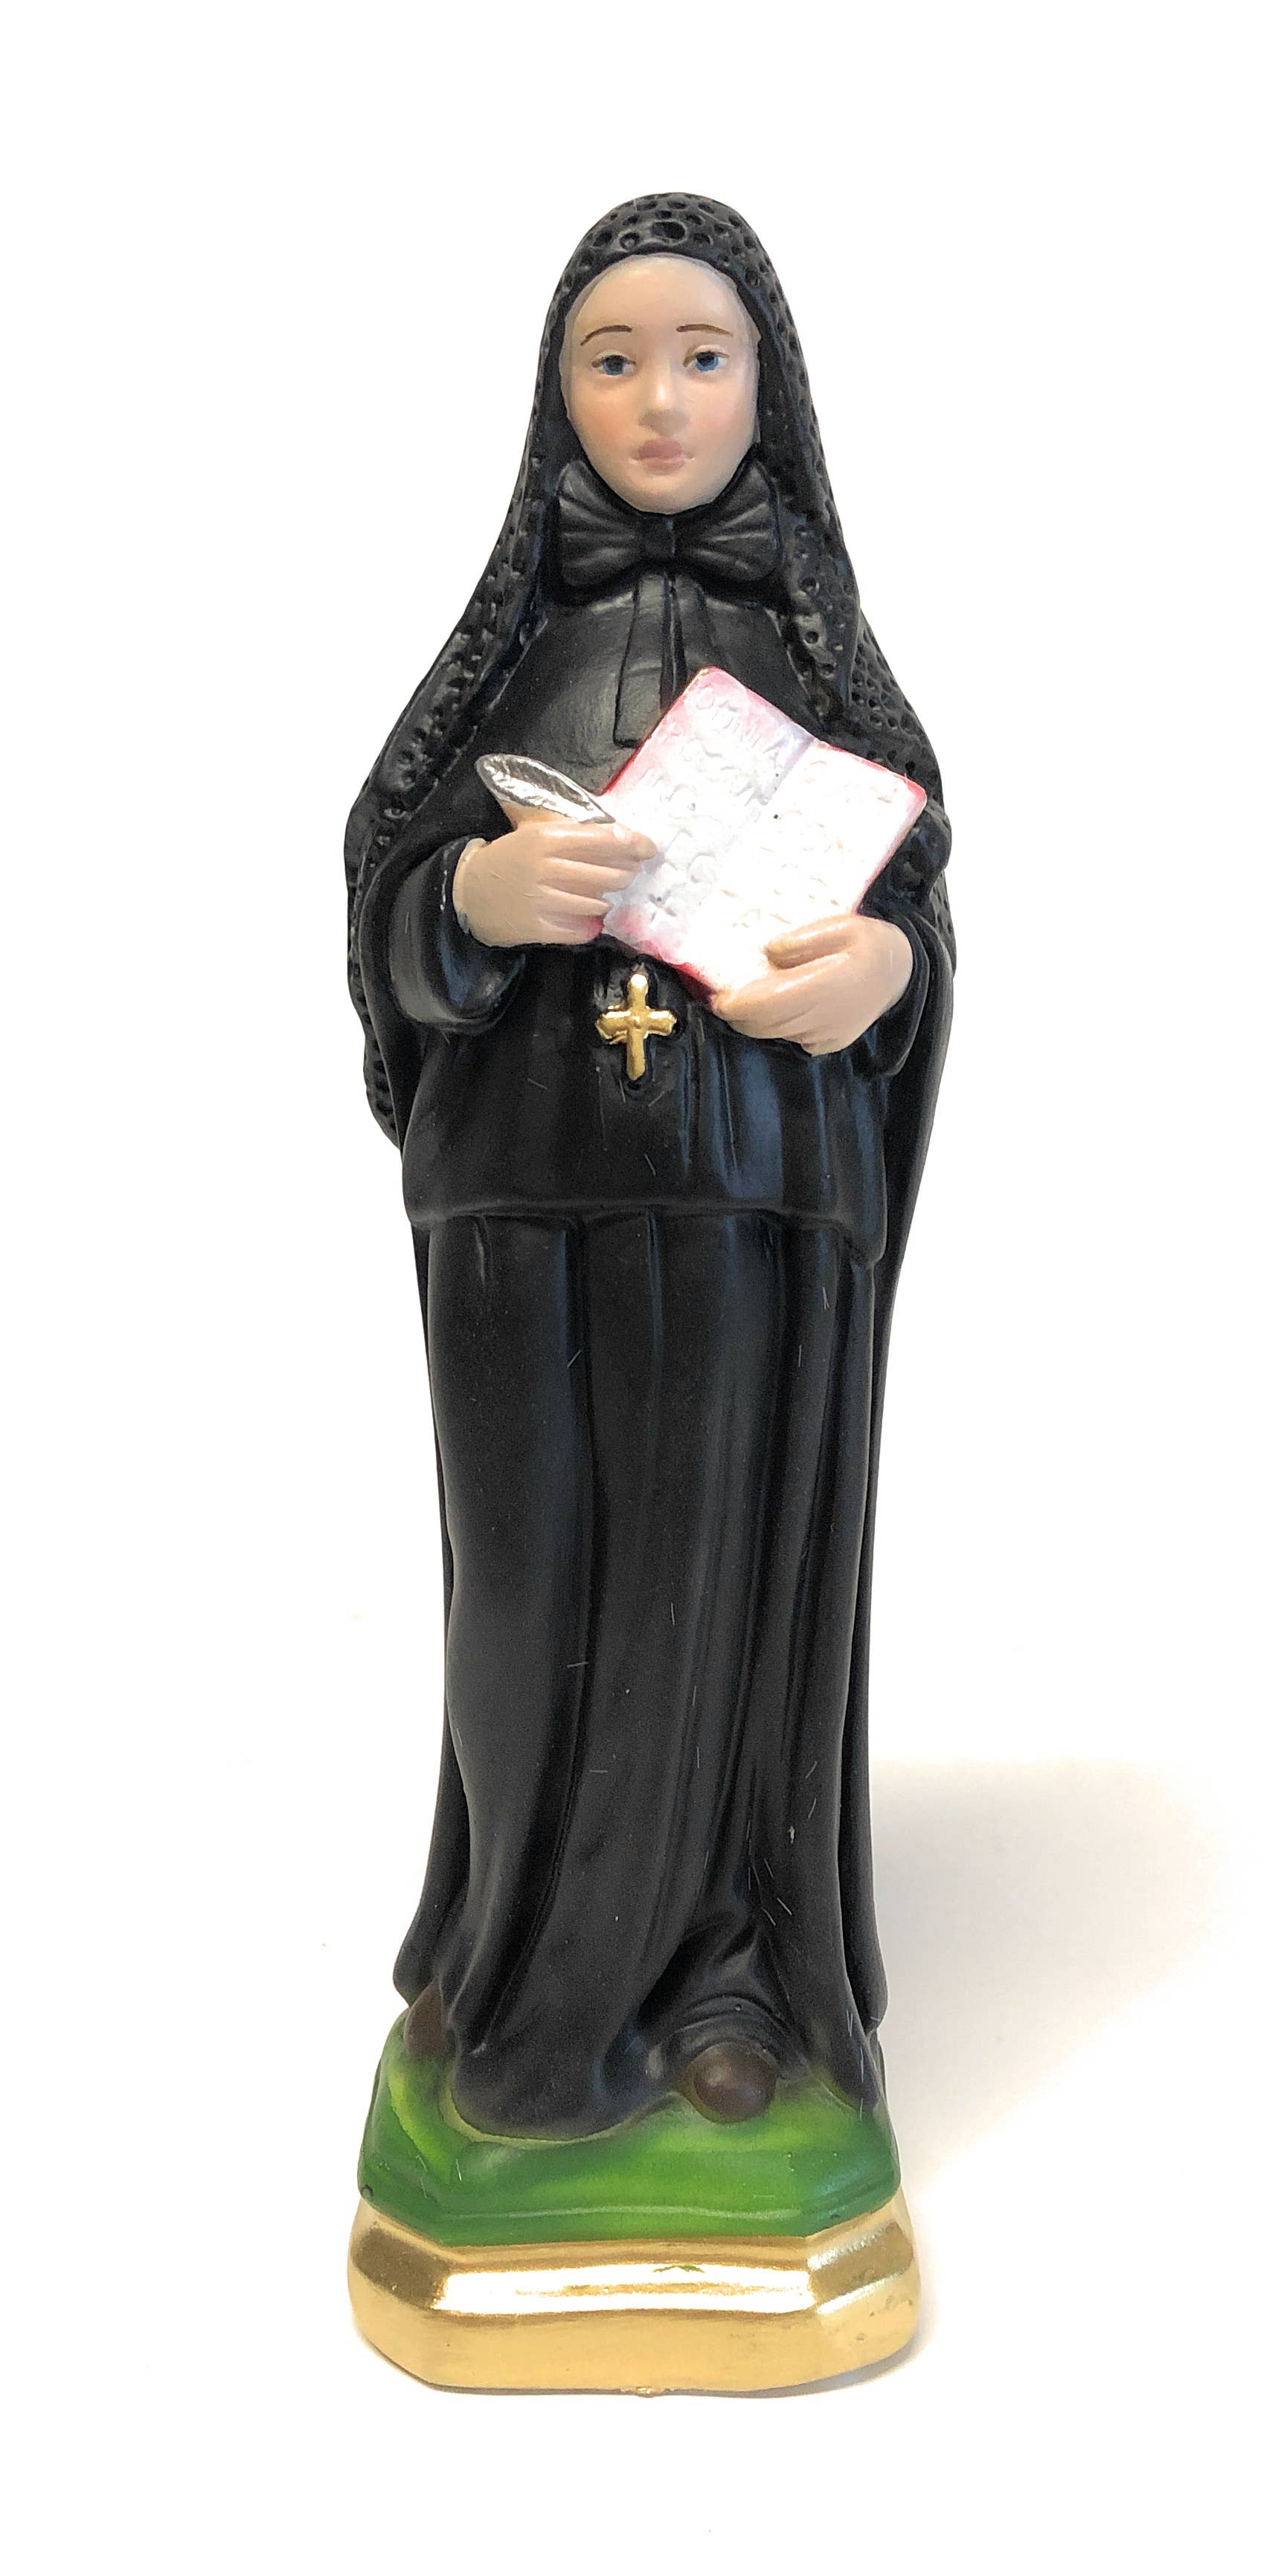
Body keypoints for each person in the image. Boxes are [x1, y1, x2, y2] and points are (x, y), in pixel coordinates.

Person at [346, 193, 954, 2141]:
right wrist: (474, 898)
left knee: (717, 1579)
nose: (663, 400)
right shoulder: (505, 656)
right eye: (615, 360)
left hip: (752, 1191)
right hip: (518, 1191)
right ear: (559, 395)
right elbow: (384, 894)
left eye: (704, 356)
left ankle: (725, 1977)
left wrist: (878, 977)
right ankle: (524, 1961)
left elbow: (918, 913)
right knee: (527, 1590)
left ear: (771, 388)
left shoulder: (816, 656)